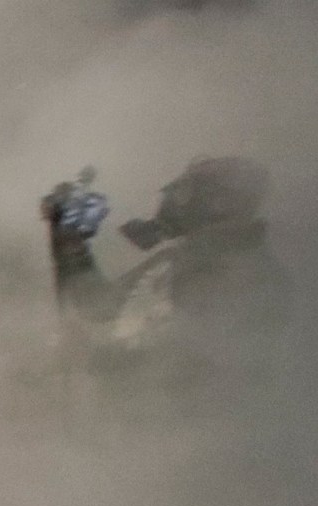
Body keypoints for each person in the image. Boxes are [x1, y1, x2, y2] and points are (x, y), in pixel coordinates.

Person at [40, 156, 291, 395]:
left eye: (188, 192)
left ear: (221, 204)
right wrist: (69, 239)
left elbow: (206, 367)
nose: (174, 201)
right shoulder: (176, 259)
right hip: (136, 429)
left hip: (198, 436)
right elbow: (98, 305)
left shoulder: (249, 275)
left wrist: (101, 358)